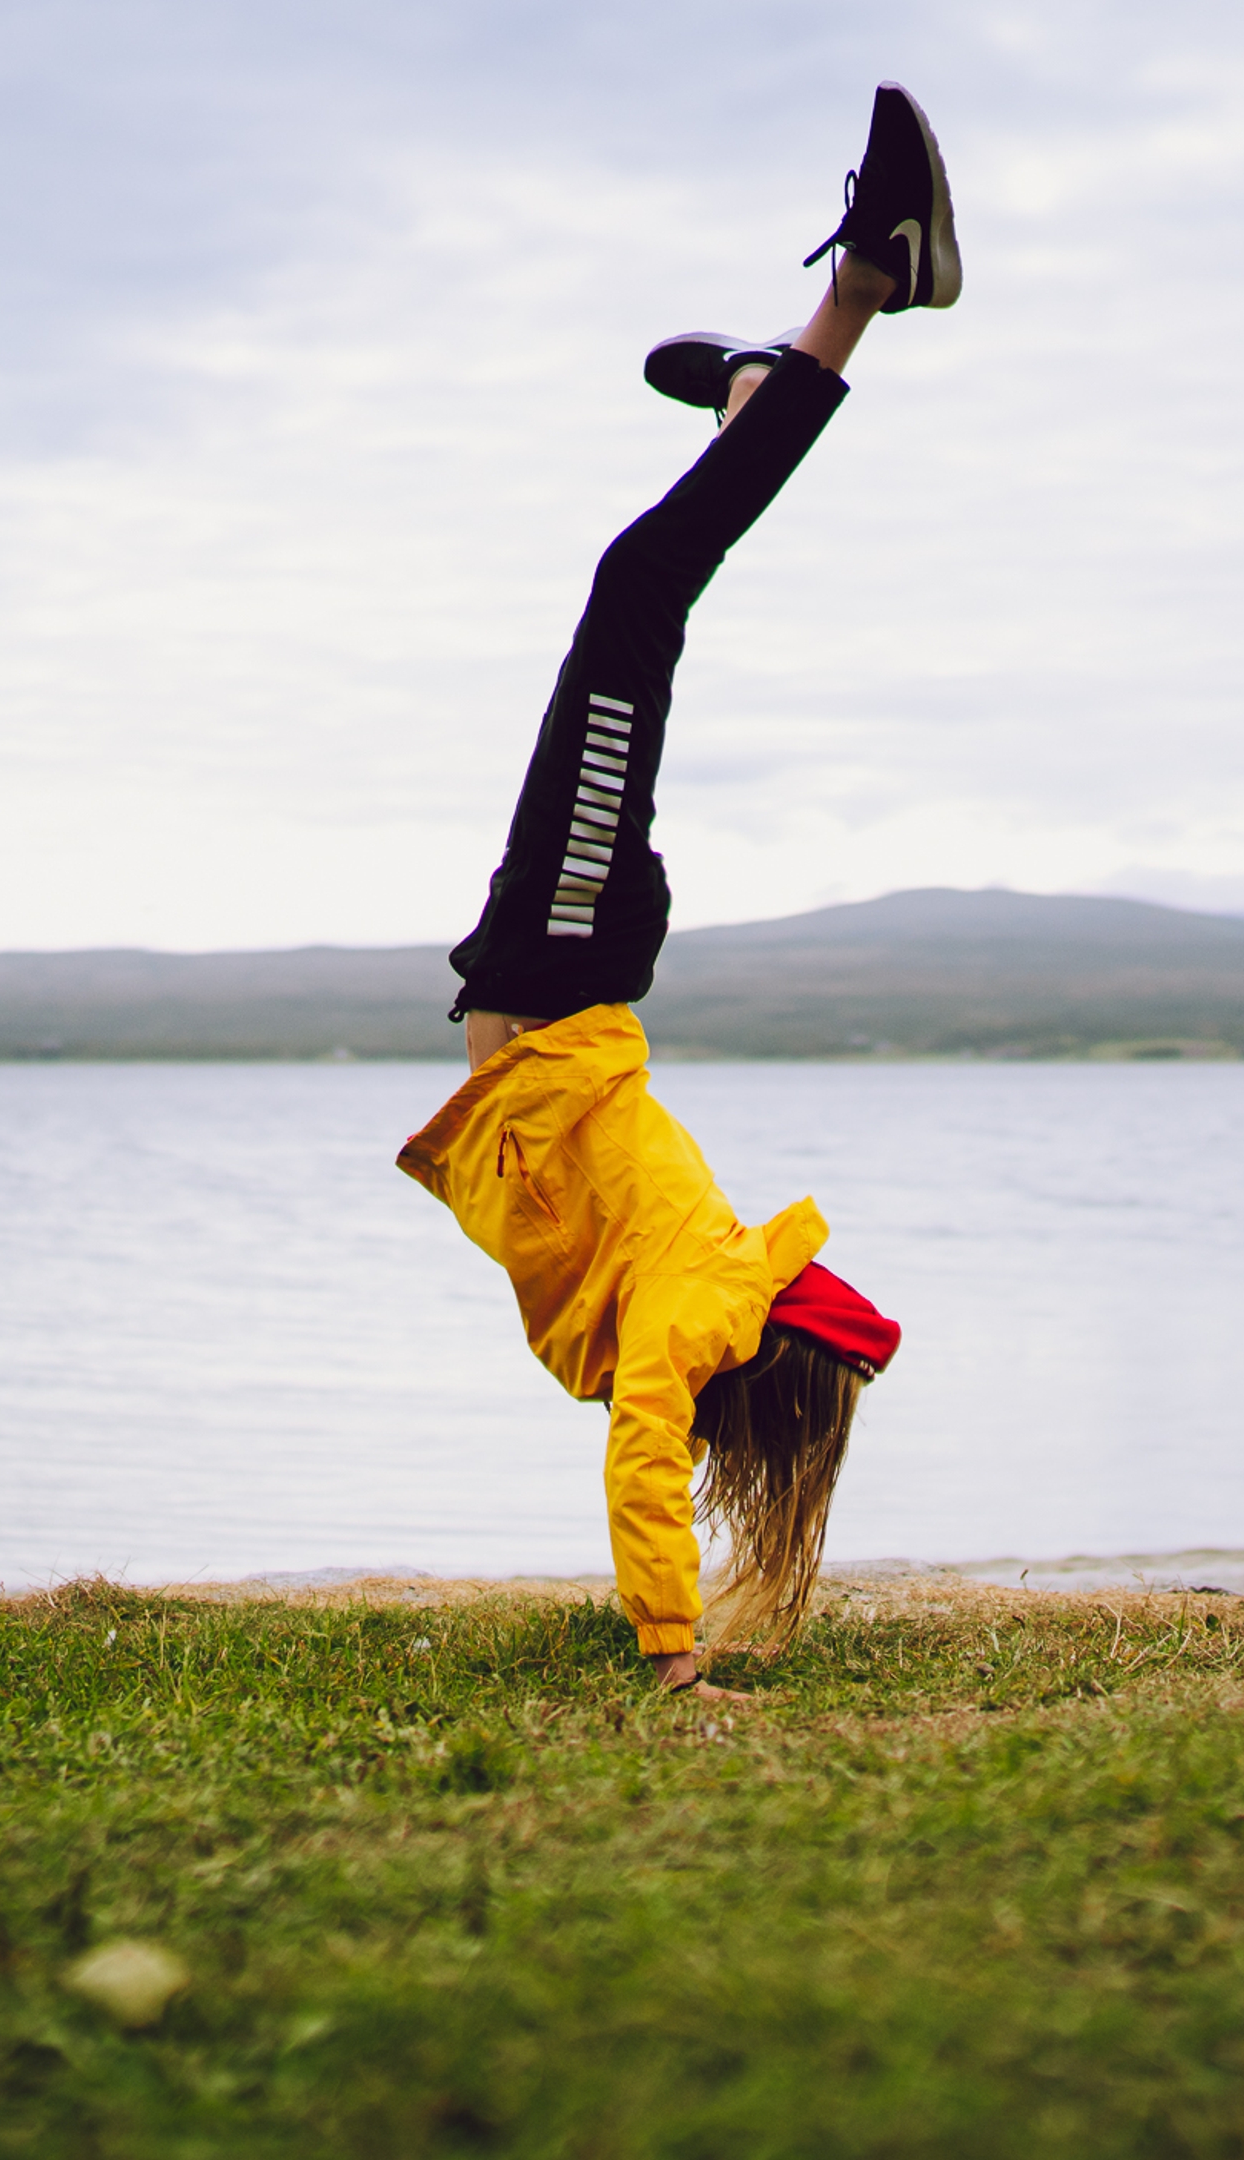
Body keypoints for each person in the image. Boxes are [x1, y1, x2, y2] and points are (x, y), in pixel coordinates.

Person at [396, 86, 956, 1701]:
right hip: (564, 961)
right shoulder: (698, 1298)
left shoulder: (699, 1304)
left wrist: (669, 1649)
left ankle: (790, 365)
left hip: (565, 955)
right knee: (638, 598)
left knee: (639, 605)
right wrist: (664, 1642)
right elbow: (647, 1451)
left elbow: (649, 1462)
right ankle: (844, 311)